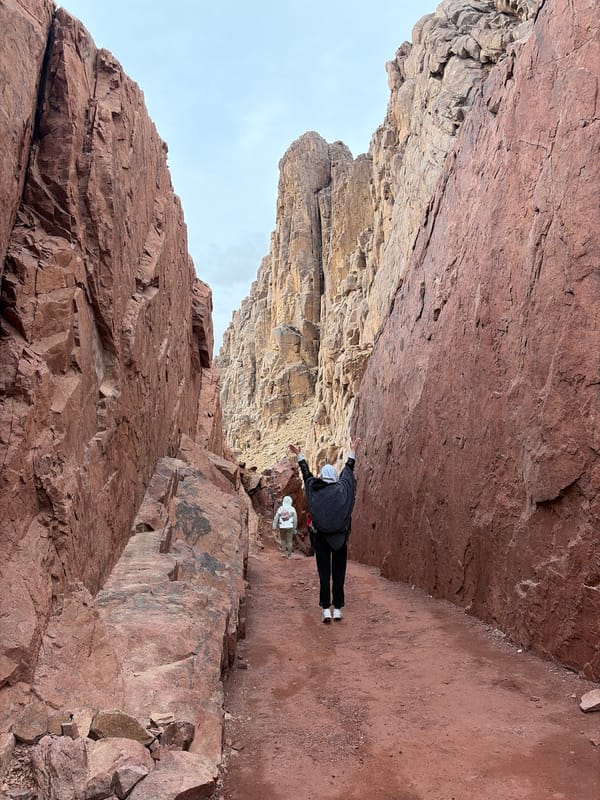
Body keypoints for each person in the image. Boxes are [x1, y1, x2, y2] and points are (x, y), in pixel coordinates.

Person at [288, 438, 361, 623]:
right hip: (340, 539)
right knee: (338, 573)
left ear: (321, 475)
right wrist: (353, 450)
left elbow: (306, 474)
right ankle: (337, 609)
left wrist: (299, 455)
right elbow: (348, 469)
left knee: (324, 574)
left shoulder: (314, 489)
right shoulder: (342, 490)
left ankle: (325, 610)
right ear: (335, 477)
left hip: (321, 539)